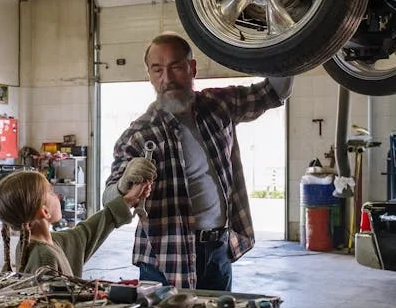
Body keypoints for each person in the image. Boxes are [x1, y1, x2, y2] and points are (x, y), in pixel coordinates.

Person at [103, 32, 294, 290]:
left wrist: (291, 38)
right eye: (157, 70)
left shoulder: (218, 105)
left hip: (217, 251)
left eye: (176, 67)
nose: (167, 79)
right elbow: (109, 199)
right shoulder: (139, 134)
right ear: (149, 75)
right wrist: (125, 184)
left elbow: (274, 91)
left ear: (192, 68)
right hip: (165, 258)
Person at [0, 170, 151, 277]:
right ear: (45, 212)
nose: (58, 196)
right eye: (51, 192)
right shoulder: (44, 258)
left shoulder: (40, 243)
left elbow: (85, 233)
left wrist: (128, 200)